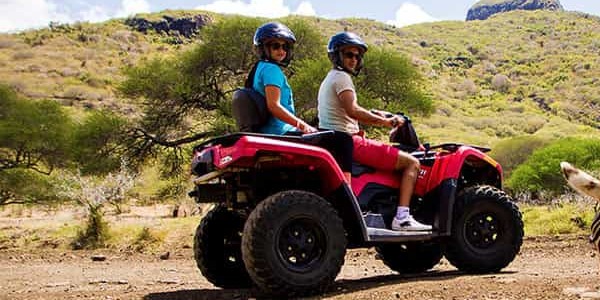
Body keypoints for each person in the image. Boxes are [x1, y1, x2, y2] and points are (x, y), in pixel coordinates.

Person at [317, 31, 431, 231]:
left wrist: (378, 114)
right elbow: (353, 110)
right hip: (351, 142)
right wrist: (385, 122)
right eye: (348, 55)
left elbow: (348, 109)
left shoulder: (330, 78)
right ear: (337, 56)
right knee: (412, 163)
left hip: (337, 139)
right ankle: (402, 218)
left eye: (356, 56)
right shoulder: (342, 78)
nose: (353, 59)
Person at [249, 22, 317, 135]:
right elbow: (274, 106)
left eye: (285, 47)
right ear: (264, 48)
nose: (281, 51)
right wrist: (302, 125)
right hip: (280, 130)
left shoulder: (259, 67)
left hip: (268, 130)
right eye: (276, 46)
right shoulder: (272, 70)